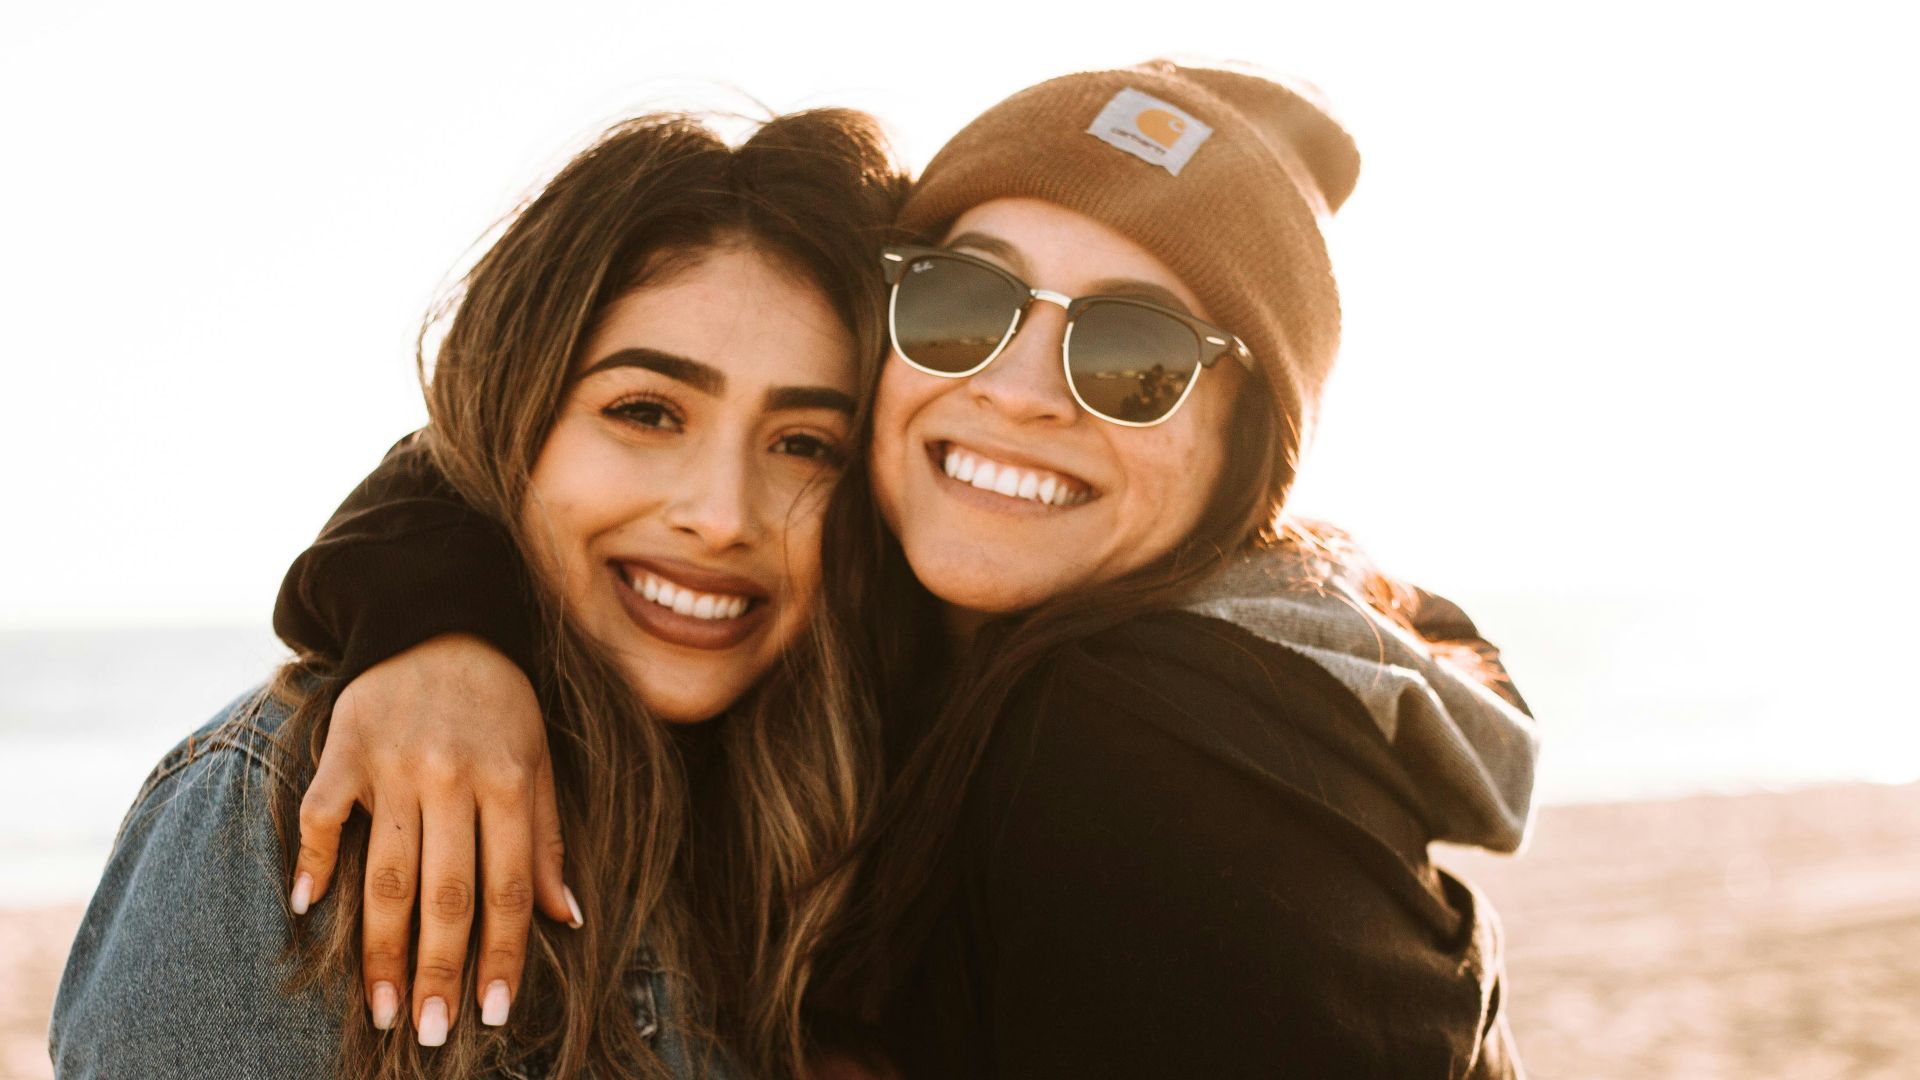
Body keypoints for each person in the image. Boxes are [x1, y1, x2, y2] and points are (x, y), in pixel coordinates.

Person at [265, 61, 1539, 1077]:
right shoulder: (907, 623)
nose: (1021, 392)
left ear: (1244, 450)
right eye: (961, 306)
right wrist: (445, 628)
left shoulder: (1148, 739)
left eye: (1136, 355)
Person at [49, 108, 908, 1079]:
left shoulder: (872, 812)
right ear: (512, 420)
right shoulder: (297, 811)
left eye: (805, 445)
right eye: (646, 412)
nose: (722, 515)